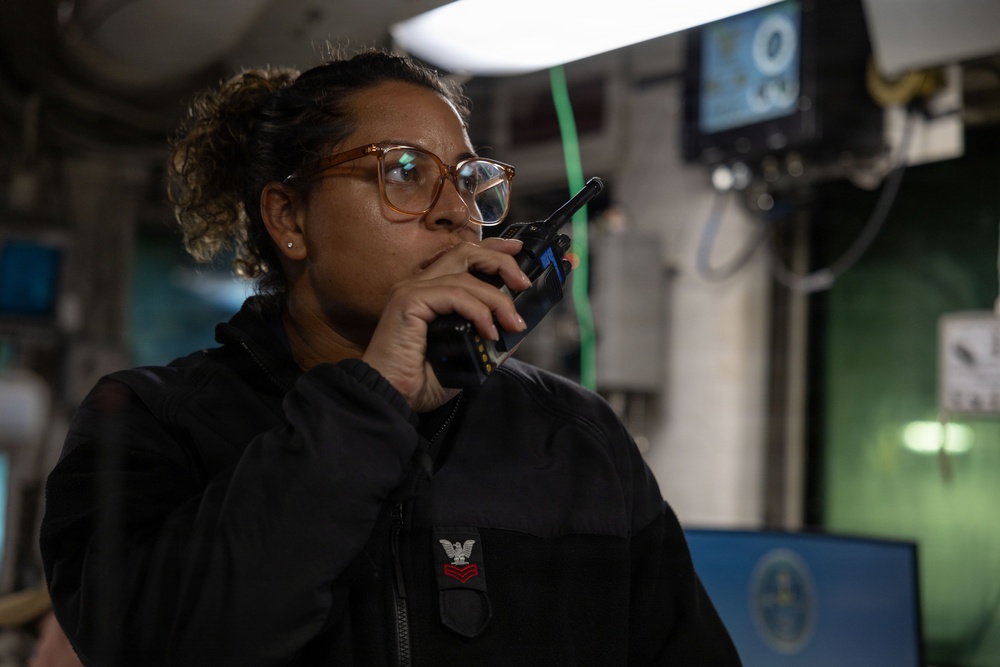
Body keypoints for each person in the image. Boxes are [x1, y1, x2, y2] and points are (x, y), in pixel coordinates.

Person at [39, 47, 742, 666]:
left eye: (468, 179)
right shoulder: (150, 423)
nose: (454, 211)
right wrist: (372, 398)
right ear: (290, 219)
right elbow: (162, 644)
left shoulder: (577, 440)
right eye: (405, 171)